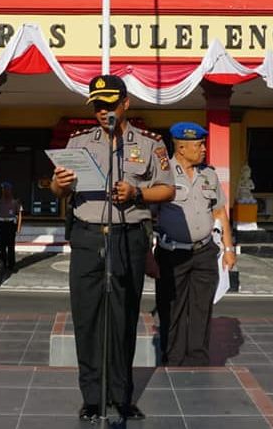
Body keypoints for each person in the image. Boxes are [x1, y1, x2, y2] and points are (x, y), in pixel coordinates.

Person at [50, 74, 175, 421]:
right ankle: (92, 398)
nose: (103, 111)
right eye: (97, 106)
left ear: (125, 104)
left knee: (123, 318)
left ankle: (122, 396)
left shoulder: (150, 144)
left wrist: (137, 193)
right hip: (87, 236)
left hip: (127, 237)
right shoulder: (78, 143)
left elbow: (168, 189)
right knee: (87, 319)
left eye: (109, 105)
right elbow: (59, 191)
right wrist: (58, 184)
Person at [155, 121, 236, 366]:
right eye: (199, 145)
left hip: (204, 252)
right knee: (172, 309)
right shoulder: (162, 175)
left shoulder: (209, 174)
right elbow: (148, 214)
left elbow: (220, 212)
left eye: (203, 144)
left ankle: (198, 359)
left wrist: (229, 249)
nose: (203, 149)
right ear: (181, 148)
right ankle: (173, 360)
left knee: (202, 308)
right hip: (172, 254)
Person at [0, 181, 22, 271]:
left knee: (11, 246)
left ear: (10, 190)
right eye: (3, 189)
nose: (5, 191)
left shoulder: (15, 202)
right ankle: (3, 263)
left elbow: (19, 214)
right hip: (1, 224)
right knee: (1, 246)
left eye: (6, 189)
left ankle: (11, 265)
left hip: (11, 224)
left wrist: (18, 227)